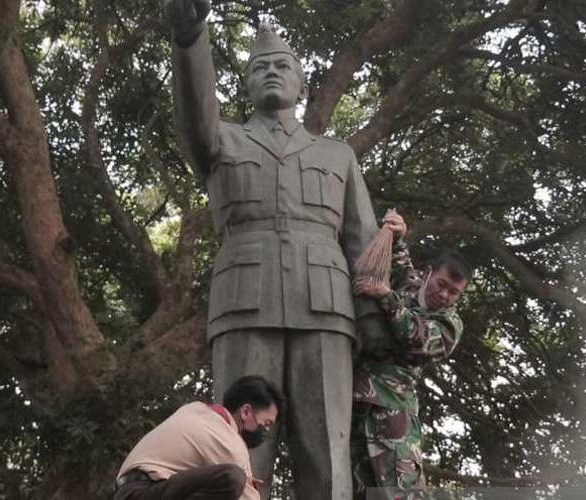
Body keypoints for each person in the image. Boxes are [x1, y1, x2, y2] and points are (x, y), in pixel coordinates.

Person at [165, 2, 385, 498]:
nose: (270, 73)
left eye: (281, 66)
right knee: (237, 449)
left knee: (326, 447)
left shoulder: (338, 155)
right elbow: (194, 116)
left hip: (327, 309)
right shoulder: (222, 141)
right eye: (259, 67)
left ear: (301, 85)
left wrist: (374, 321)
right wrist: (188, 36)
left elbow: (364, 241)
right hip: (245, 302)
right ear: (244, 85)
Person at [351, 212, 471, 500]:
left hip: (394, 419)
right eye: (442, 285)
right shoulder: (410, 284)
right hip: (355, 408)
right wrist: (398, 232)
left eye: (454, 293)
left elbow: (414, 336)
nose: (444, 296)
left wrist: (385, 296)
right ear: (429, 273)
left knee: (401, 493)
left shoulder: (449, 325)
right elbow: (399, 258)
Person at [114, 375, 285, 500]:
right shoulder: (226, 438)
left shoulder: (194, 410)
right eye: (266, 423)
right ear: (246, 411)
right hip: (143, 493)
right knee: (231, 477)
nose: (265, 431)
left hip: (130, 491)